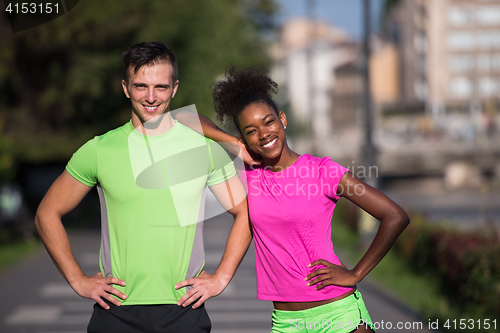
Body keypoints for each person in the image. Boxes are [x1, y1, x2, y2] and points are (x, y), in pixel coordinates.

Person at [34, 42, 251, 333]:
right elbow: (47, 213)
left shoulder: (204, 149)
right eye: (140, 86)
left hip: (184, 311)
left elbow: (246, 213)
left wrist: (221, 277)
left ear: (174, 88)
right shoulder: (99, 150)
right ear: (126, 88)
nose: (151, 97)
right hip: (115, 312)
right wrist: (78, 279)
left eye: (160, 87)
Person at [174, 66, 410, 333]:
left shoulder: (323, 171)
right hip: (286, 322)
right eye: (251, 131)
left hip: (338, 314)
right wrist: (232, 142)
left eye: (268, 122)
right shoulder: (249, 176)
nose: (263, 134)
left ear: (282, 119)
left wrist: (356, 273)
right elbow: (183, 117)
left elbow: (395, 216)